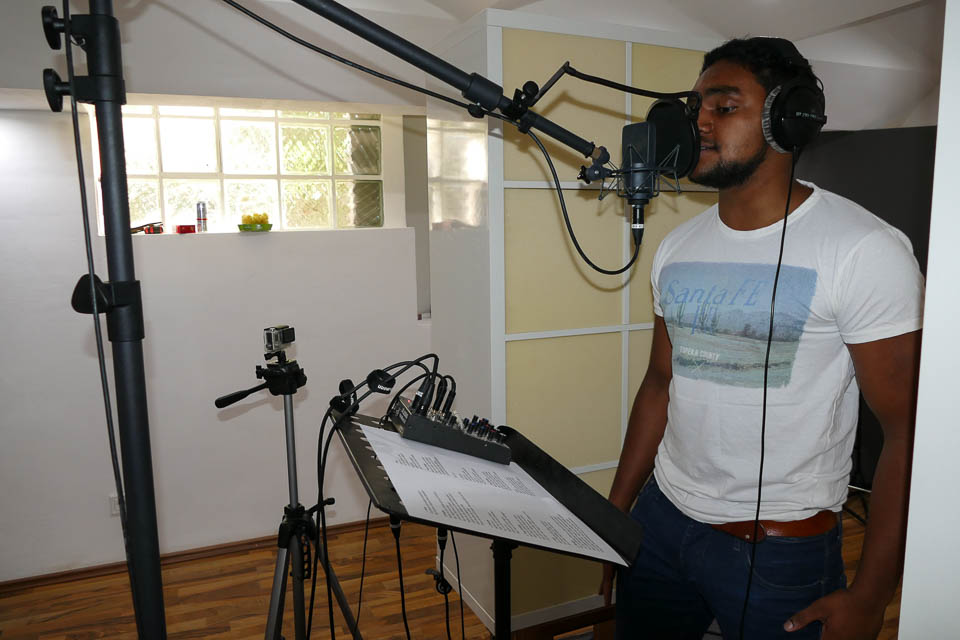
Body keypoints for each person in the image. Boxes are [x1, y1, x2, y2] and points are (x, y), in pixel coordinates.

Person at [599, 37, 924, 639]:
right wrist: (615, 513)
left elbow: (910, 430)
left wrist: (872, 595)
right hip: (661, 523)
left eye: (724, 107)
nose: (699, 123)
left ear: (787, 119)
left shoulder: (864, 250)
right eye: (695, 108)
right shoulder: (676, 247)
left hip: (781, 551)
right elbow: (660, 384)